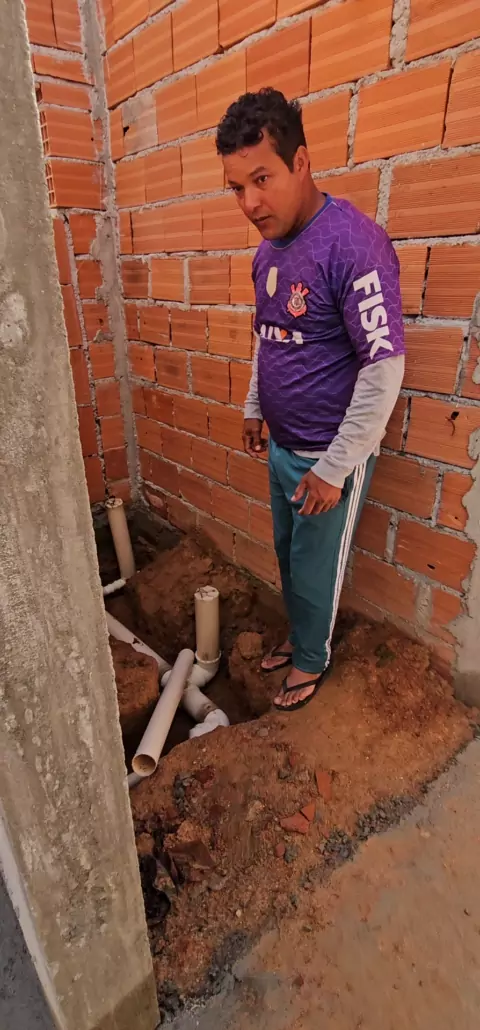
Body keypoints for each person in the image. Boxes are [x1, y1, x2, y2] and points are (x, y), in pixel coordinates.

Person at [216, 88, 405, 713]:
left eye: (261, 179)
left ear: (300, 162)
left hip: (328, 459)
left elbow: (383, 369)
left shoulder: (353, 244)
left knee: (317, 567)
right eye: (237, 188)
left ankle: (312, 659)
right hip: (282, 448)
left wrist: (335, 467)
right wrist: (254, 406)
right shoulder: (266, 253)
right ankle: (300, 638)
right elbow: (268, 337)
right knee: (288, 556)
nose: (250, 203)